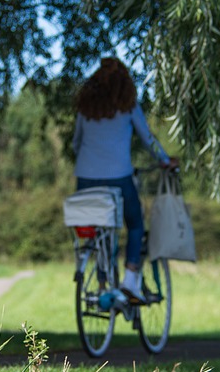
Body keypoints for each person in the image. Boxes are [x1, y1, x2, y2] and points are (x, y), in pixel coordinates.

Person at [73, 57, 177, 304]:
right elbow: (148, 139)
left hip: (85, 180)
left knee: (99, 228)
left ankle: (101, 280)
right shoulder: (129, 107)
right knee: (135, 224)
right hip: (118, 179)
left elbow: (76, 144)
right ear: (125, 84)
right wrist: (164, 160)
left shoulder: (85, 109)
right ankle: (129, 282)